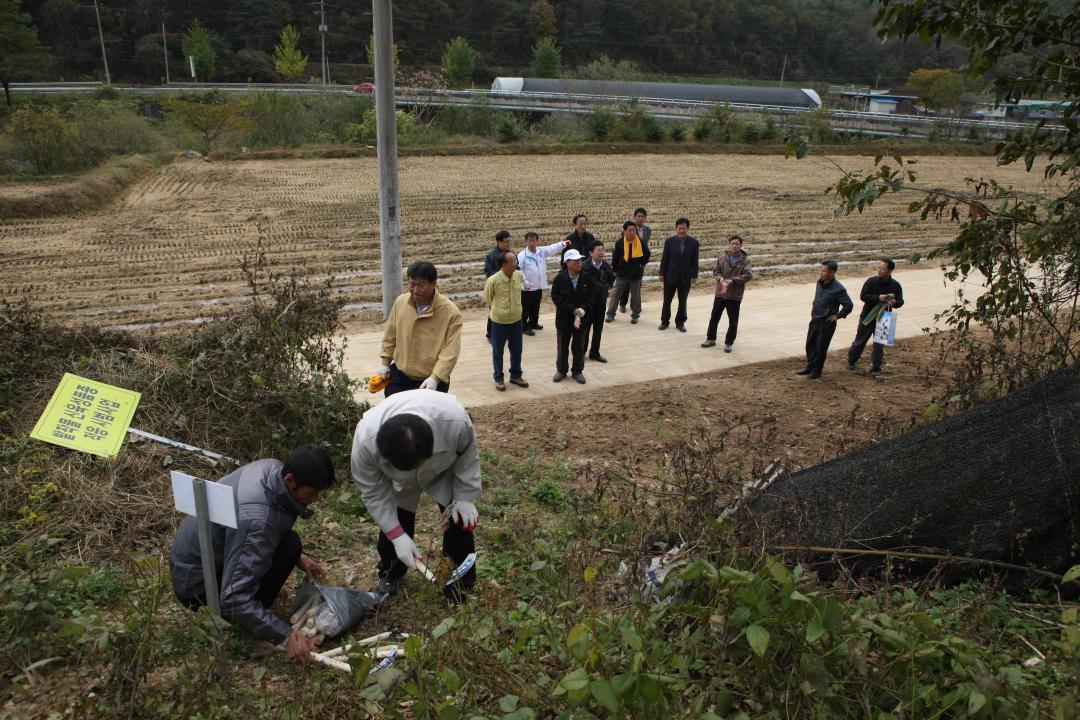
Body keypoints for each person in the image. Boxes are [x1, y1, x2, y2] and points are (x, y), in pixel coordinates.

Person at [170, 445, 335, 663]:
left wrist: (300, 558)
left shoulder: (270, 468)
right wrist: (286, 636)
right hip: (197, 586)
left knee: (290, 546)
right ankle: (246, 618)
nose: (314, 500)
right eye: (312, 494)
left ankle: (253, 610)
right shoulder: (258, 521)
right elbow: (234, 597)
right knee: (283, 550)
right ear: (290, 481)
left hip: (197, 562)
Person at [350, 391, 481, 606]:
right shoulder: (365, 441)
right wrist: (396, 535)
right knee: (396, 518)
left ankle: (458, 586)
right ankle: (391, 570)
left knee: (459, 522)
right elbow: (373, 492)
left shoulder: (455, 422)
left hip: (442, 469)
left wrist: (465, 496)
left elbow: (468, 454)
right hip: (397, 482)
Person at [373, 261, 462, 397]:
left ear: (433, 284)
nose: (415, 290)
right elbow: (390, 336)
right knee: (396, 416)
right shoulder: (401, 303)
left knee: (426, 418)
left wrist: (436, 378)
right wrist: (385, 363)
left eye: (420, 285)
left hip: (430, 381)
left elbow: (451, 351)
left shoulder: (451, 313)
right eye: (412, 284)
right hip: (400, 377)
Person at [847, 258, 905, 376]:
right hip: (868, 316)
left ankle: (876, 368)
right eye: (879, 268)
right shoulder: (871, 281)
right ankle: (851, 361)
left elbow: (900, 301)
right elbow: (863, 296)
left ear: (890, 270)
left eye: (882, 268)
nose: (879, 270)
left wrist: (894, 302)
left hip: (885, 317)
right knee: (860, 341)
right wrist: (878, 298)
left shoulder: (896, 285)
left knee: (879, 345)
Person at [796, 260, 854, 379]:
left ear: (832, 272)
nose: (821, 273)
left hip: (826, 324)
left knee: (820, 348)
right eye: (820, 270)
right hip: (815, 320)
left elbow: (849, 305)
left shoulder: (838, 289)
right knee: (810, 345)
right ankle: (810, 366)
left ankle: (817, 370)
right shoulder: (820, 283)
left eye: (824, 271)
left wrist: (837, 316)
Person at [484, 250, 529, 391]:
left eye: (515, 260)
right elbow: (488, 298)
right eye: (512, 261)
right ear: (503, 264)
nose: (515, 263)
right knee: (498, 351)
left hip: (516, 320)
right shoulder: (493, 280)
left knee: (517, 350)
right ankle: (498, 378)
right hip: (499, 322)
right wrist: (499, 311)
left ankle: (515, 376)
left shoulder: (519, 275)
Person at [550, 248, 596, 384]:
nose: (579, 263)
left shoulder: (586, 278)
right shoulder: (560, 278)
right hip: (564, 319)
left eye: (580, 260)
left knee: (579, 346)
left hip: (581, 319)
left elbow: (592, 296)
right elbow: (555, 297)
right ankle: (561, 370)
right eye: (575, 260)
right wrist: (572, 309)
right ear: (567, 263)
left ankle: (577, 371)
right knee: (562, 345)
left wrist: (583, 308)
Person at [702, 235, 753, 352]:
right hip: (721, 293)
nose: (734, 246)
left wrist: (733, 280)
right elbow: (716, 271)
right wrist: (720, 278)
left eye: (737, 244)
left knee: (733, 320)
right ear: (729, 245)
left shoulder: (746, 261)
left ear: (741, 246)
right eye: (732, 243)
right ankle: (710, 338)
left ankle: (729, 342)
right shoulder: (722, 258)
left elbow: (748, 275)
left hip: (734, 295)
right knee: (714, 317)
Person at [518, 231, 569, 335]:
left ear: (537, 241)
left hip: (539, 286)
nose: (532, 243)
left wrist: (562, 244)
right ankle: (524, 327)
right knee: (526, 308)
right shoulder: (522, 255)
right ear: (526, 241)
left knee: (536, 306)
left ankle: (533, 323)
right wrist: (524, 281)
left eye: (533, 240)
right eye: (529, 241)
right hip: (527, 287)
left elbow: (551, 249)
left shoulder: (541, 251)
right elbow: (519, 269)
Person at [658, 217, 699, 332]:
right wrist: (662, 273)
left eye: (684, 228)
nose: (682, 231)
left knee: (683, 301)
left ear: (688, 229)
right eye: (679, 228)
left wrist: (694, 276)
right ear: (676, 228)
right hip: (670, 275)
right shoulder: (669, 241)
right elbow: (664, 258)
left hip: (685, 276)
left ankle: (680, 322)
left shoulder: (694, 243)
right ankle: (664, 321)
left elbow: (695, 261)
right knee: (667, 300)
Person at [607, 221, 651, 324]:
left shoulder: (640, 242)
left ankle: (635, 315)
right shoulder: (619, 242)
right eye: (630, 230)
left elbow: (647, 254)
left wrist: (641, 265)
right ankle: (610, 314)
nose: (632, 232)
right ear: (625, 231)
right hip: (622, 274)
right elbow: (615, 257)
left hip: (636, 274)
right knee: (616, 294)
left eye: (634, 230)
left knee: (636, 296)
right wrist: (614, 270)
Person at [581, 240, 615, 363]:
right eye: (598, 250)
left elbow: (611, 279)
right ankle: (581, 352)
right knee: (585, 329)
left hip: (600, 304)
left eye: (602, 250)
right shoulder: (585, 266)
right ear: (591, 253)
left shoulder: (606, 266)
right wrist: (602, 287)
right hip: (588, 305)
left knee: (598, 329)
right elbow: (587, 284)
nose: (601, 253)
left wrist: (606, 288)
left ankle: (594, 353)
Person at [617, 208, 652, 314]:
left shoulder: (647, 230)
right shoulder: (628, 229)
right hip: (628, 261)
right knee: (625, 285)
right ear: (634, 217)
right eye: (638, 216)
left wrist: (642, 263)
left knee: (636, 285)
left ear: (645, 218)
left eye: (642, 216)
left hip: (639, 263)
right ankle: (622, 304)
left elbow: (645, 247)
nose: (640, 218)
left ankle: (634, 307)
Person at [484, 231, 513, 340]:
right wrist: (502, 275)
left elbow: (517, 268)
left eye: (509, 241)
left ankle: (506, 333)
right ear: (498, 242)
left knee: (508, 310)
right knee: (494, 311)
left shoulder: (511, 254)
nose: (508, 243)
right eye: (506, 241)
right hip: (496, 288)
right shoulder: (490, 256)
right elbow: (488, 271)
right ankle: (490, 334)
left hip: (510, 287)